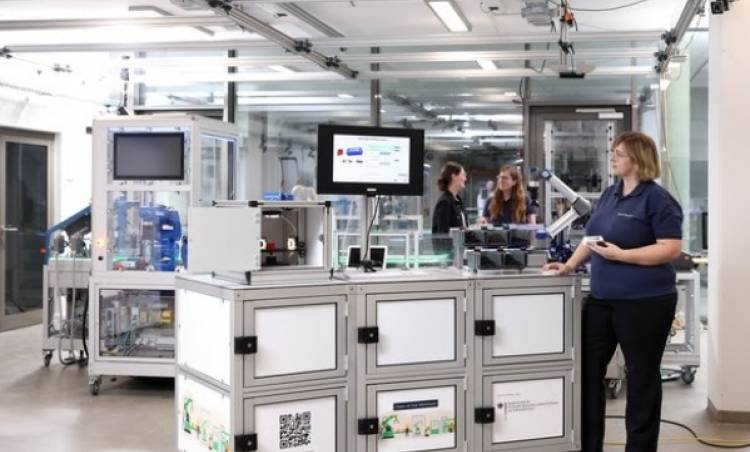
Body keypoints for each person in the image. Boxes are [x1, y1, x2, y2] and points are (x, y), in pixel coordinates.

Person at [543, 131, 683, 452]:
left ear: (638, 159)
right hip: (603, 301)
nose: (612, 158)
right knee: (588, 373)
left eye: (618, 154)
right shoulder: (610, 194)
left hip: (646, 303)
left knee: (642, 377)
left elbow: (670, 248)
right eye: (612, 152)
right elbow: (592, 239)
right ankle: (589, 446)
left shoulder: (658, 200)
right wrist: (569, 265)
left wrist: (623, 255)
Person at [431, 161, 467, 234]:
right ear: (453, 176)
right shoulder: (445, 202)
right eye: (463, 175)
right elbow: (442, 233)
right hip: (451, 242)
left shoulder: (458, 200)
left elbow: (462, 227)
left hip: (460, 241)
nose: (465, 179)